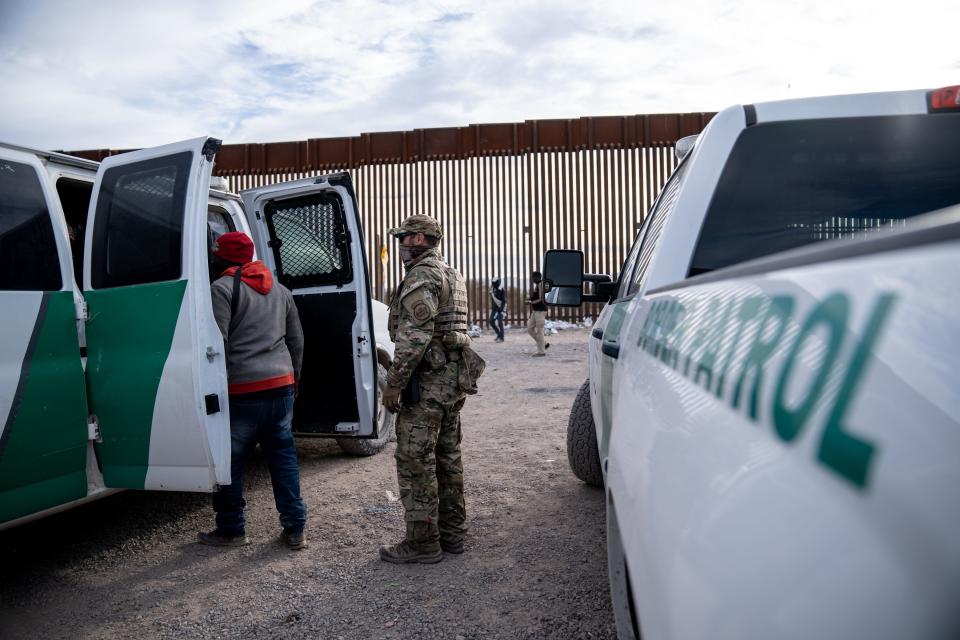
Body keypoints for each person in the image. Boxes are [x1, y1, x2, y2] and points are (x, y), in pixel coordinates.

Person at [380, 214, 482, 564]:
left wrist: (394, 384)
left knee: (415, 460)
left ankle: (423, 544)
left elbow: (416, 337)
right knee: (447, 457)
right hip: (450, 382)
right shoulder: (451, 271)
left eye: (406, 237)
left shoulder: (422, 274)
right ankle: (452, 535)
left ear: (421, 239)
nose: (402, 243)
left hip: (427, 384)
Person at [198, 231, 308, 550]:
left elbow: (218, 344)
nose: (213, 257)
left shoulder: (220, 289)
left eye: (216, 253)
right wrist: (294, 380)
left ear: (225, 257)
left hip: (243, 391)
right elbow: (296, 340)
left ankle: (232, 529)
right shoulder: (280, 290)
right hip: (281, 387)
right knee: (283, 458)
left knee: (228, 461)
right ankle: (295, 527)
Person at [526, 270, 549, 356]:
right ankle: (544, 343)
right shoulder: (537, 286)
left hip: (541, 310)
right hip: (536, 310)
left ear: (538, 277)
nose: (533, 279)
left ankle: (541, 352)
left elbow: (541, 299)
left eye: (534, 277)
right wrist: (530, 300)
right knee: (529, 328)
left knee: (540, 331)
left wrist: (530, 302)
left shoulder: (541, 285)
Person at [488, 277, 506, 342]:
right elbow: (493, 300)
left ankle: (502, 337)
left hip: (501, 308)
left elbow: (504, 301)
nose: (494, 284)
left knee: (500, 322)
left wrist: (501, 309)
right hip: (494, 309)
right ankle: (499, 334)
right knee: (491, 321)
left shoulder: (501, 289)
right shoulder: (492, 289)